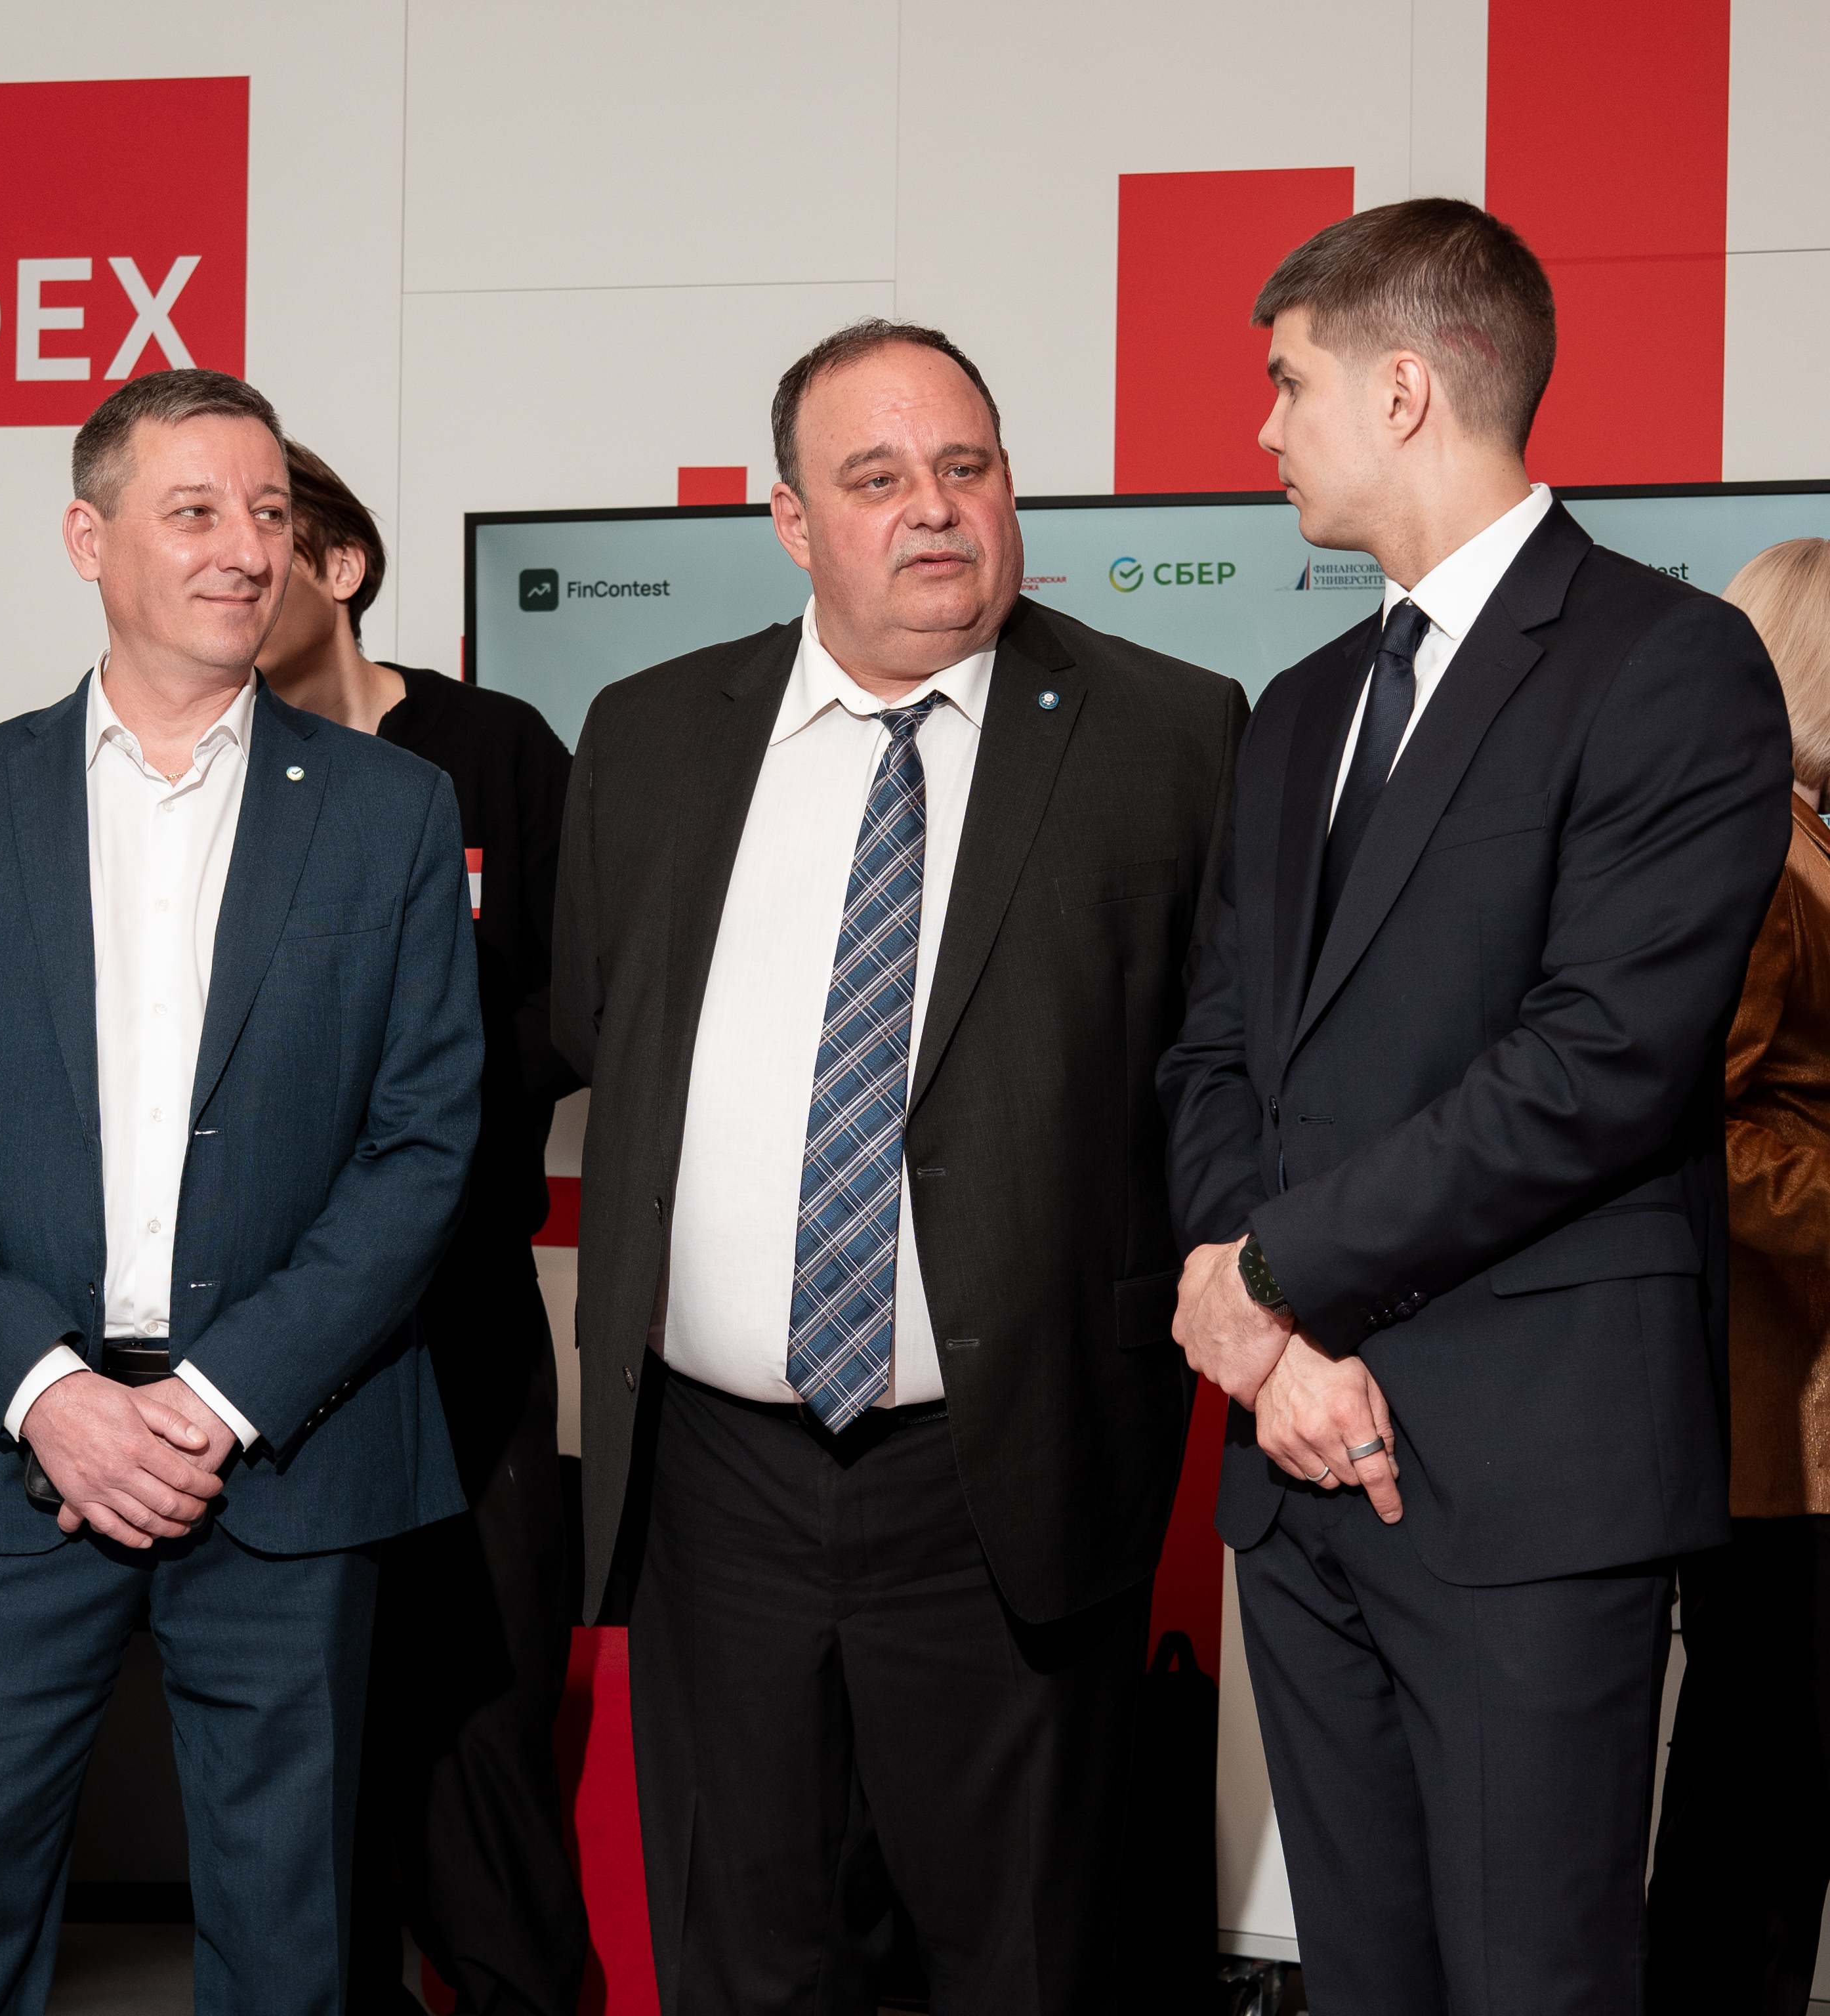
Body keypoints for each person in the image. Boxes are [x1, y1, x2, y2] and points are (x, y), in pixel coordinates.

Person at [554, 318, 1244, 2015]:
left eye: (966, 466)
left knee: (1021, 1965)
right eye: (876, 478)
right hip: (715, 1487)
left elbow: (1221, 1082)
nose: (934, 508)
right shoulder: (649, 734)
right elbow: (592, 1026)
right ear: (792, 523)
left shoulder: (1169, 734)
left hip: (1010, 1484)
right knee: (746, 1963)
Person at [1156, 197, 1795, 2015]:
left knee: (1534, 1982)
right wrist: (1274, 1354)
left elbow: (1598, 1069)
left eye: (1289, 384)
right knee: (1369, 1982)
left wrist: (1271, 1278)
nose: (1263, 428)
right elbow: (1218, 1052)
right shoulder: (1299, 707)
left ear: (1403, 390)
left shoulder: (1667, 664)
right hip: (1297, 1460)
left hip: (1528, 1479)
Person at [0, 369, 482, 2016]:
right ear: (89, 538)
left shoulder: (393, 811)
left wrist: (217, 1399)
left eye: (269, 512)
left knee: (290, 1942)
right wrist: (50, 1395)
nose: (246, 549)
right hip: (1, 1455)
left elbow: (422, 1145)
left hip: (287, 1460)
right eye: (196, 510)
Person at [255, 439, 587, 2016]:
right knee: (316, 1729)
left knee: (488, 1706)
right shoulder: (216, 773)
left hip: (462, 1313)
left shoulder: (492, 748)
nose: (231, 572)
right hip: (274, 1331)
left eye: (267, 536)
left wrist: (422, 1103)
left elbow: (585, 996)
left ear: (342, 566)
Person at [1647, 537, 1830, 2016]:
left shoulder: (1794, 835)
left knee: (1770, 1794)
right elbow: (1691, 1123)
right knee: (1759, 1800)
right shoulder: (1763, 852)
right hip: (1776, 1421)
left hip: (1791, 1412)